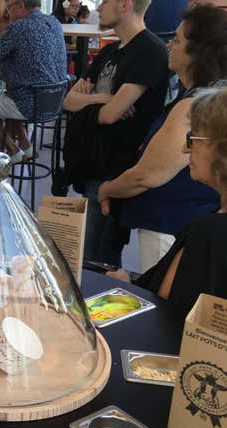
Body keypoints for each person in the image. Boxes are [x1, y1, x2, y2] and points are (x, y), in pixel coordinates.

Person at [97, 5, 227, 271]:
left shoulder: (193, 107)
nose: (170, 45)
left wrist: (106, 189)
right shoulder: (202, 96)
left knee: (162, 303)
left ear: (198, 53)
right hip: (184, 221)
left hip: (170, 225)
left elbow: (148, 175)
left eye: (178, 40)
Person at [62, 0, 169, 267]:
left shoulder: (150, 51)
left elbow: (110, 116)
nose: (98, 7)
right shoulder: (108, 53)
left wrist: (91, 103)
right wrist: (101, 98)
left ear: (124, 4)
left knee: (97, 261)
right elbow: (68, 101)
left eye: (105, 1)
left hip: (114, 171)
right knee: (88, 257)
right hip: (91, 162)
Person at [106, 86, 227, 318]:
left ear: (220, 149)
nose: (184, 148)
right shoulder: (212, 219)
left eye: (192, 139)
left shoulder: (209, 233)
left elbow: (164, 317)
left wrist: (124, 289)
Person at [0, 0, 68, 164]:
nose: (9, 11)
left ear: (20, 5)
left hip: (29, 104)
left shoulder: (19, 27)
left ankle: (12, 150)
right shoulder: (54, 22)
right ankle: (26, 147)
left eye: (10, 7)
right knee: (9, 95)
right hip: (54, 102)